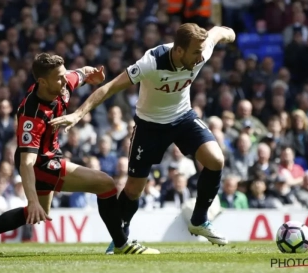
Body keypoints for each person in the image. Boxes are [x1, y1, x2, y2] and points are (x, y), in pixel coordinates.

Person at [50, 23, 235, 254]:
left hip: (182, 117)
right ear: (178, 50)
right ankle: (119, 240)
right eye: (195, 52)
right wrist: (78, 114)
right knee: (134, 188)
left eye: (201, 51)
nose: (200, 57)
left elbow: (218, 31)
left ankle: (198, 220)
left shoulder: (202, 49)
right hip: (149, 125)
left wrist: (229, 34)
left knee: (216, 160)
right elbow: (109, 88)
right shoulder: (151, 62)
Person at [0, 53, 159, 256]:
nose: (65, 80)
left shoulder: (62, 83)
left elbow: (82, 72)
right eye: (59, 77)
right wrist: (32, 199)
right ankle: (122, 244)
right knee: (105, 184)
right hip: (40, 163)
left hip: (49, 155)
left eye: (64, 74)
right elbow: (26, 163)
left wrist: (92, 76)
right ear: (43, 82)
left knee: (36, 213)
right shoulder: (32, 114)